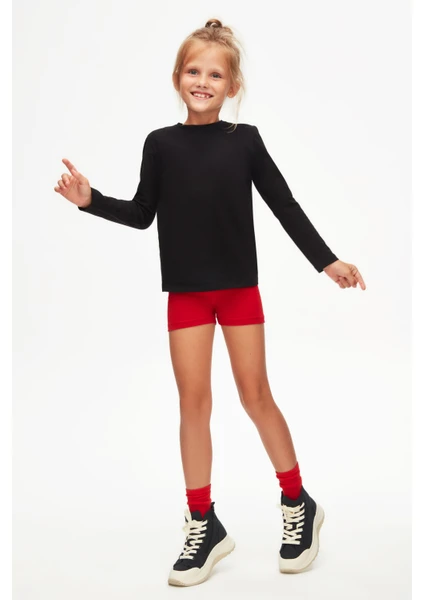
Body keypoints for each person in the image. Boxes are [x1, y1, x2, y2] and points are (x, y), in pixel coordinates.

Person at [54, 18, 366, 588]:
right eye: (193, 71)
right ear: (178, 77)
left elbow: (284, 205)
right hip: (187, 297)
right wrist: (90, 200)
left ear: (232, 85)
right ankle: (204, 522)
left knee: (255, 396)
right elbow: (142, 213)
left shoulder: (244, 140)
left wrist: (328, 262)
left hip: (238, 289)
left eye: (215, 74)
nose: (203, 81)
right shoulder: (161, 143)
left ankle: (298, 502)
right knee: (193, 405)